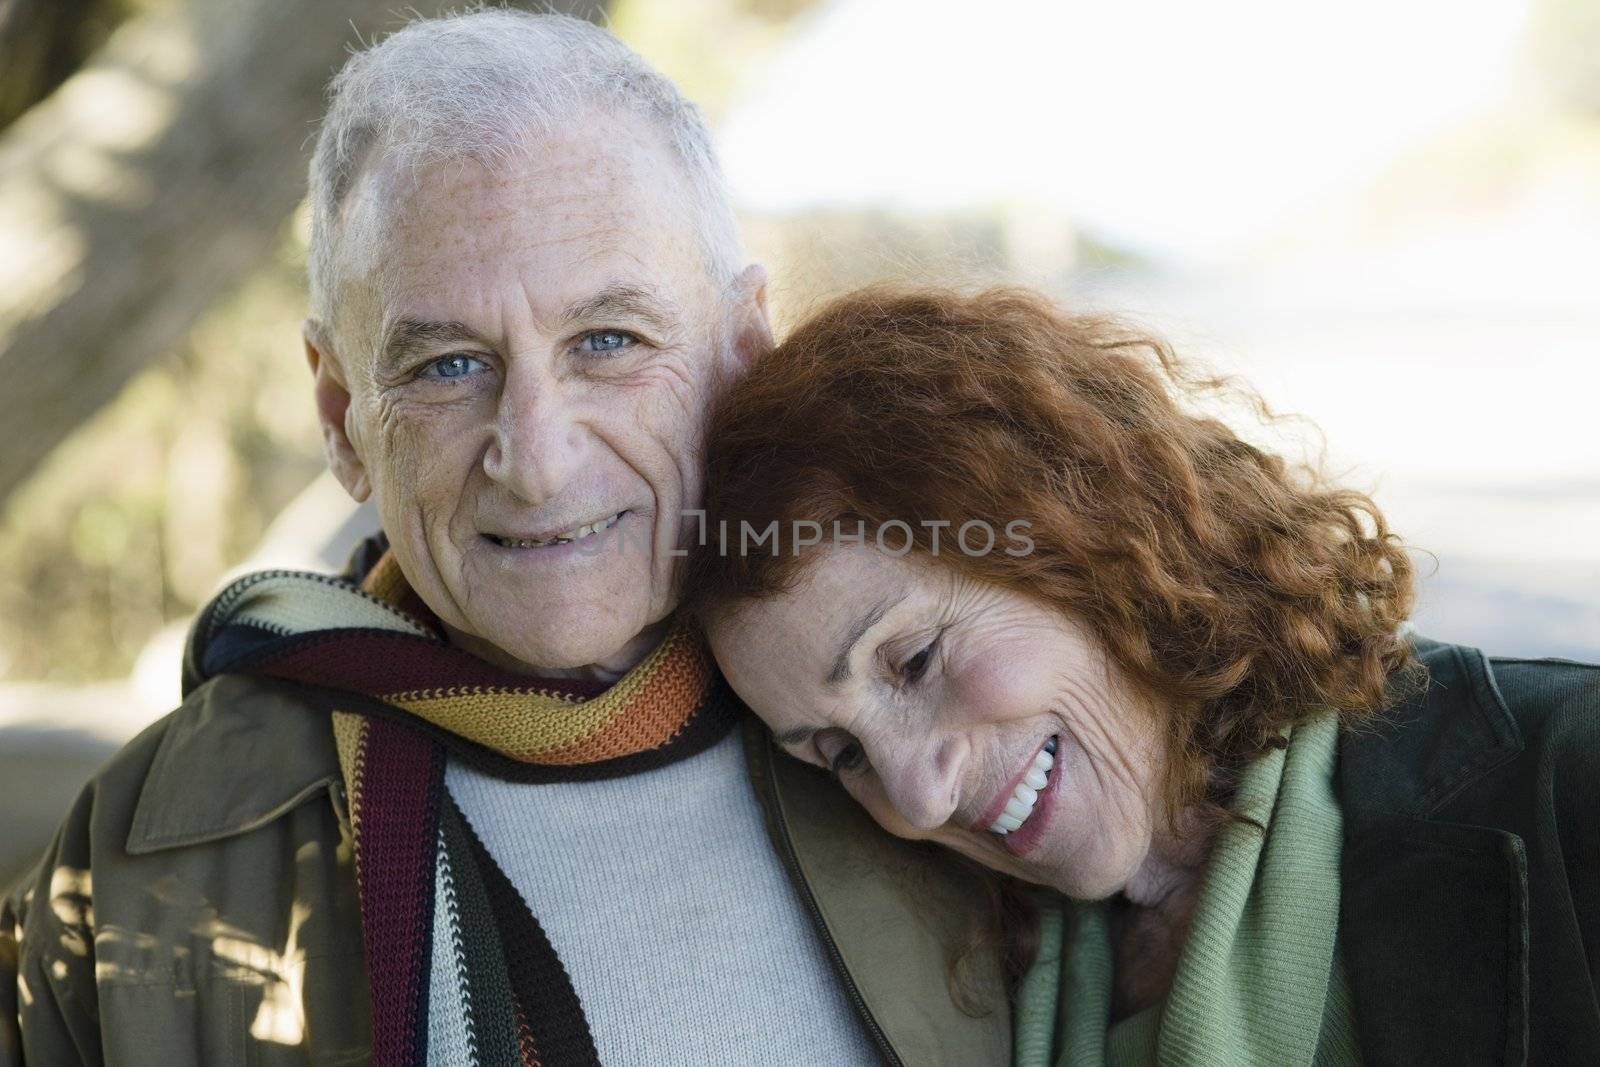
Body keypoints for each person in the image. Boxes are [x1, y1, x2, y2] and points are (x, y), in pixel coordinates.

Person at [0, 14, 1012, 1066]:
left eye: (607, 341)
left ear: (742, 349)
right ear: (343, 418)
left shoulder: (942, 727)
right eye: (447, 365)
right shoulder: (144, 850)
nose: (535, 459)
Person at [687, 285, 1600, 1066]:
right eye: (840, 750)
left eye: (916, 660)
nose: (916, 798)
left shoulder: (1570, 779)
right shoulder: (997, 978)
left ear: (1081, 540)